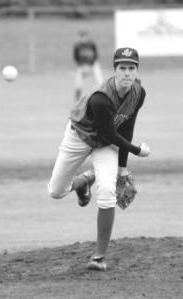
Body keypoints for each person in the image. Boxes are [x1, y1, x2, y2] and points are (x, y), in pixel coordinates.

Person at [48, 47, 150, 271]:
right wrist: (136, 151)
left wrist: (122, 168)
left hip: (105, 144)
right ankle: (84, 181)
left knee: (106, 192)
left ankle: (98, 257)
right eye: (122, 68)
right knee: (56, 191)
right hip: (79, 137)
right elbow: (110, 134)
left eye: (131, 68)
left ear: (136, 71)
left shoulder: (138, 92)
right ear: (114, 70)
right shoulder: (101, 97)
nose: (126, 73)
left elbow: (126, 127)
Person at [73, 30, 104, 102]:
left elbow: (95, 55)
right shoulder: (77, 46)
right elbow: (76, 57)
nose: (83, 39)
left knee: (100, 80)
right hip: (82, 65)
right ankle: (77, 100)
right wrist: (83, 66)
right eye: (82, 37)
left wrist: (91, 65)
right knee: (78, 82)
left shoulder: (92, 44)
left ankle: (102, 96)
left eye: (85, 37)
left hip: (93, 64)